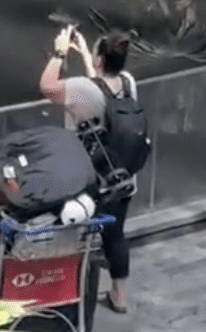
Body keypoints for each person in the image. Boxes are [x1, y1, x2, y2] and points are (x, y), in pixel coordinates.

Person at [39, 27, 138, 317]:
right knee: (114, 234)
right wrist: (85, 52)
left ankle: (62, 292)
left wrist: (59, 52)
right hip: (121, 178)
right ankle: (119, 295)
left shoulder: (82, 88)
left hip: (88, 179)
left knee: (70, 230)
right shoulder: (128, 82)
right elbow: (100, 86)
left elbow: (47, 86)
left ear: (98, 60)